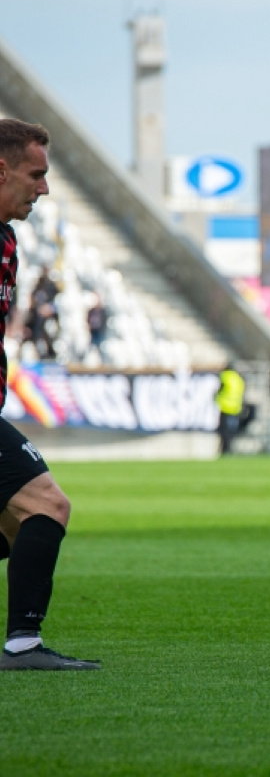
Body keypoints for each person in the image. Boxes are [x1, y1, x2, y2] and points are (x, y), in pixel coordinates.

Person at [0, 118, 99, 669]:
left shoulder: (7, 241)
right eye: (36, 175)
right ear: (1, 169)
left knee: (18, 525)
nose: (44, 188)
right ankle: (23, 645)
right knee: (46, 505)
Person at [215, 363, 245, 455]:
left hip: (225, 407)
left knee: (224, 431)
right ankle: (228, 449)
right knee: (231, 431)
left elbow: (220, 389)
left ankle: (224, 450)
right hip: (236, 408)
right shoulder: (238, 378)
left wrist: (216, 396)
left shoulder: (225, 376)